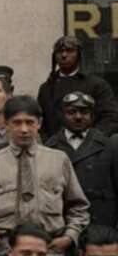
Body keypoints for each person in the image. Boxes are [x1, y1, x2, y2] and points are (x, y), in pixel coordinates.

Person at [0, 95, 91, 256]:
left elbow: (78, 207)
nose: (24, 129)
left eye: (29, 122)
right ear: (6, 124)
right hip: (5, 249)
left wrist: (69, 237)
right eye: (17, 123)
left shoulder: (58, 160)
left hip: (50, 250)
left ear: (39, 123)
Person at [44, 91, 118, 229]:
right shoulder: (49, 147)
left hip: (101, 225)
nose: (78, 117)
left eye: (84, 112)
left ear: (92, 116)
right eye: (71, 112)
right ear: (62, 115)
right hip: (65, 226)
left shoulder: (109, 145)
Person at [37, 34, 118, 137]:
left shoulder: (97, 85)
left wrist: (92, 140)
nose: (64, 55)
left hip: (90, 144)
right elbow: (39, 120)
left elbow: (111, 117)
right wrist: (48, 142)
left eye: (70, 51)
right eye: (59, 51)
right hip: (55, 144)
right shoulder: (46, 88)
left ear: (79, 55)